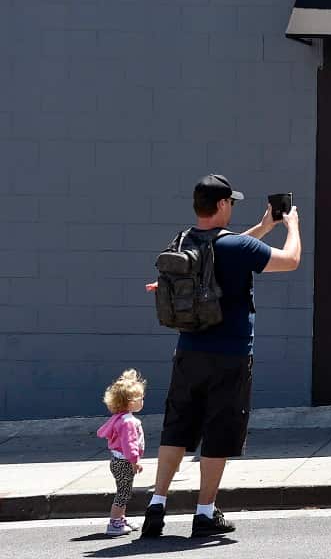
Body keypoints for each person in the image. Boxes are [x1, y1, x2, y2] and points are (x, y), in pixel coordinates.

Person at [140, 174, 301, 539]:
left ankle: (156, 505)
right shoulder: (234, 249)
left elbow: (225, 253)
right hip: (230, 355)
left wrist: (262, 227)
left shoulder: (184, 240)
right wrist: (291, 226)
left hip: (188, 351)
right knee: (219, 431)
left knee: (176, 428)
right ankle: (204, 513)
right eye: (233, 203)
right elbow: (290, 261)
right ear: (223, 204)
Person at [96, 369, 146, 537]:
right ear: (129, 402)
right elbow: (129, 443)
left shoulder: (119, 418)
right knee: (123, 493)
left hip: (117, 461)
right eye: (140, 398)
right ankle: (114, 523)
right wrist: (134, 460)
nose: (142, 400)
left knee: (123, 491)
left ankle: (120, 519)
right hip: (125, 462)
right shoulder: (128, 422)